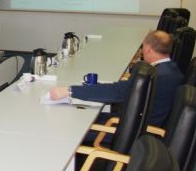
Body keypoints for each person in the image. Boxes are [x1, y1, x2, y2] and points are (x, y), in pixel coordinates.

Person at [50, 30, 183, 127]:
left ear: (148, 49)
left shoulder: (154, 76)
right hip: (140, 121)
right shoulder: (172, 70)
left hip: (133, 129)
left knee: (75, 121)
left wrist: (69, 91)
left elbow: (116, 92)